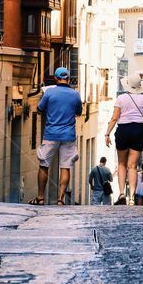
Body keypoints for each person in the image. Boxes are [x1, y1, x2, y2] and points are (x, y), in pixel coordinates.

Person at [30, 67, 82, 205]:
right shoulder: (75, 94)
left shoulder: (49, 93)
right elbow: (79, 111)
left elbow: (39, 109)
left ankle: (40, 197)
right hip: (68, 135)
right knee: (65, 166)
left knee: (44, 164)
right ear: (68, 79)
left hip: (51, 134)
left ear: (55, 78)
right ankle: (60, 199)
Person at [104, 73, 143, 205]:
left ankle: (121, 193)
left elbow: (114, 118)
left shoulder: (121, 98)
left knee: (121, 164)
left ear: (128, 85)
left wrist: (107, 134)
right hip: (138, 131)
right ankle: (132, 197)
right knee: (133, 166)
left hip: (123, 130)